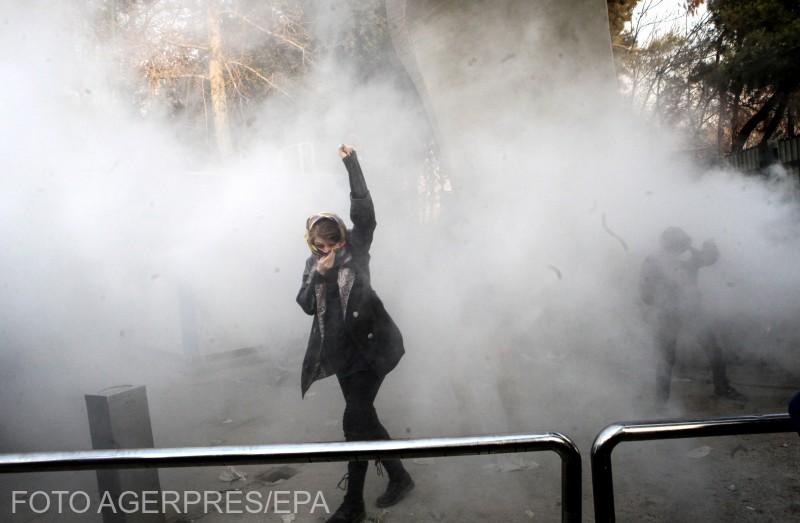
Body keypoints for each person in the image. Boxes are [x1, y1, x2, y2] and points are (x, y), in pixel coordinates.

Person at [296, 145, 414, 523]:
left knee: (354, 423)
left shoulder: (357, 250)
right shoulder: (312, 265)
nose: (327, 252)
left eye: (333, 245)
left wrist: (352, 164)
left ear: (343, 240)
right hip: (342, 357)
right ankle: (400, 477)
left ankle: (353, 505)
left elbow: (365, 216)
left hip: (373, 353)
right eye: (320, 247)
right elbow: (305, 304)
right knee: (366, 420)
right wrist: (319, 274)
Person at [640, 227, 745, 403]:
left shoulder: (684, 257)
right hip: (674, 313)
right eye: (681, 244)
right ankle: (662, 401)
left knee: (709, 351)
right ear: (673, 244)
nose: (684, 247)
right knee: (667, 358)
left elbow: (709, 258)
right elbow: (645, 293)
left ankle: (663, 401)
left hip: (689, 311)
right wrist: (664, 301)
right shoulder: (657, 261)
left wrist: (710, 246)